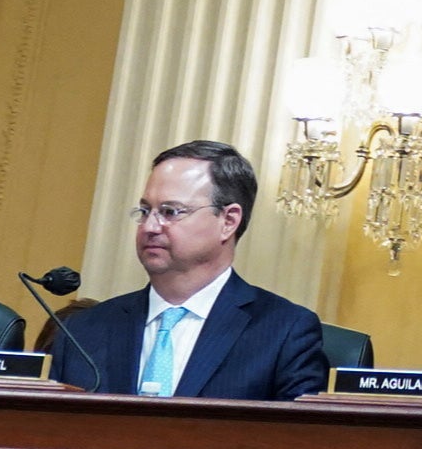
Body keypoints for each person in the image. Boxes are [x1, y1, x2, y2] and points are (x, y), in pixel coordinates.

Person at [49, 141, 329, 402]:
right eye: (145, 211)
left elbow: (300, 445)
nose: (150, 227)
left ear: (228, 221)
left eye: (171, 212)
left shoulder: (283, 331)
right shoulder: (82, 332)